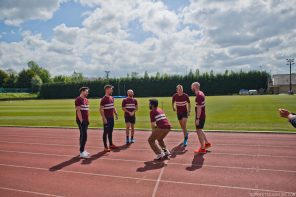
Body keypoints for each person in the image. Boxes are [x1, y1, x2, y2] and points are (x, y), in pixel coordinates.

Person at [191, 82, 212, 154]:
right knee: (200, 129)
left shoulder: (199, 96)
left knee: (198, 131)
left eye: (192, 86)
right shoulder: (201, 93)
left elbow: (199, 108)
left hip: (200, 116)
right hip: (202, 115)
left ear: (195, 87)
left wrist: (197, 118)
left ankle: (202, 148)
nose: (191, 87)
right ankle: (206, 143)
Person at [100, 85, 118, 152]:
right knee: (106, 132)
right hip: (106, 118)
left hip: (111, 118)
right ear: (107, 90)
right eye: (111, 89)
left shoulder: (112, 98)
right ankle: (105, 147)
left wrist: (115, 113)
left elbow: (113, 106)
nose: (112, 90)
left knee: (110, 131)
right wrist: (104, 118)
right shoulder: (103, 99)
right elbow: (101, 110)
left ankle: (110, 144)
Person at [75, 87, 90, 158]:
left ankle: (83, 150)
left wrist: (88, 120)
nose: (87, 93)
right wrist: (82, 121)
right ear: (82, 91)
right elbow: (78, 111)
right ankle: (81, 152)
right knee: (84, 135)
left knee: (82, 135)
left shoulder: (86, 100)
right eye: (86, 91)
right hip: (81, 120)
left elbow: (87, 111)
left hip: (86, 120)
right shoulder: (78, 99)